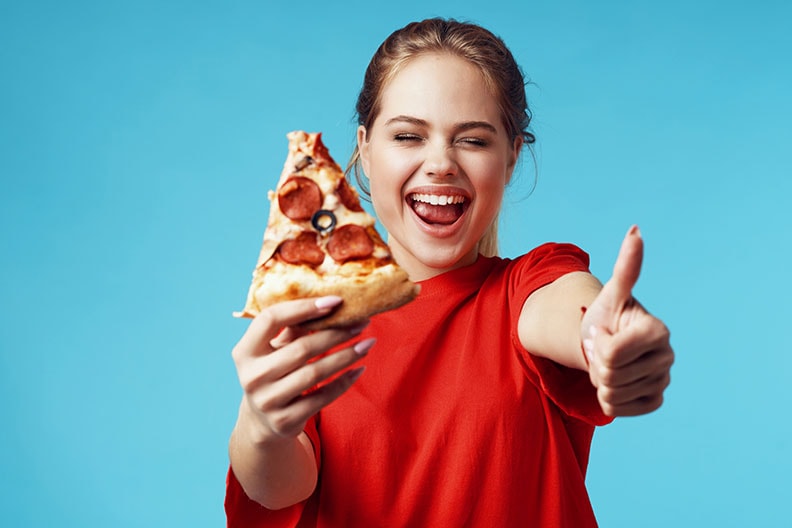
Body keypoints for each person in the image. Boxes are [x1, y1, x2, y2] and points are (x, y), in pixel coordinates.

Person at [225, 17, 674, 527]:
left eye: (474, 141)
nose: (440, 163)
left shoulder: (527, 285)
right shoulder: (313, 323)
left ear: (510, 159)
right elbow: (278, 489)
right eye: (409, 136)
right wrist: (262, 424)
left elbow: (570, 310)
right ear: (366, 150)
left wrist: (604, 334)